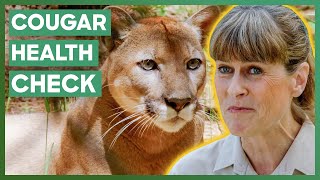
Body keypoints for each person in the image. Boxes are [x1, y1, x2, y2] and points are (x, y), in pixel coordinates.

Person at [168, 5, 315, 175]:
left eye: (254, 70)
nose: (234, 89)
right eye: (225, 69)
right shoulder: (191, 171)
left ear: (299, 80)